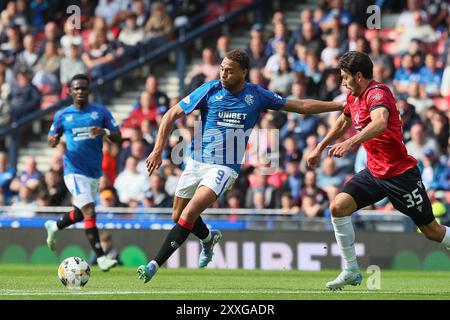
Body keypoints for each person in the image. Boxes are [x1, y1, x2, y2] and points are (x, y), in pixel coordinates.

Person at [137, 49, 345, 283]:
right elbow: (171, 114)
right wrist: (157, 150)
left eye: (229, 71)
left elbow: (301, 106)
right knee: (178, 215)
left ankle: (154, 264)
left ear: (243, 72)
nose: (223, 74)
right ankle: (208, 238)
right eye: (222, 69)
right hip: (197, 161)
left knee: (189, 213)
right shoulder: (210, 89)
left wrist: (338, 106)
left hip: (224, 167)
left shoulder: (256, 95)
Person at [306, 51, 450, 290]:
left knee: (432, 231)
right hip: (374, 172)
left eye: (345, 77)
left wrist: (350, 143)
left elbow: (380, 122)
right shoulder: (354, 96)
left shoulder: (378, 94)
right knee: (338, 207)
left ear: (359, 76)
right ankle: (351, 270)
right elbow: (343, 121)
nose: (342, 82)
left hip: (400, 175)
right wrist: (320, 147)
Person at [44, 74, 121, 272]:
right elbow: (52, 137)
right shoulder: (62, 115)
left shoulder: (100, 112)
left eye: (83, 88)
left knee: (80, 214)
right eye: (76, 88)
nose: (80, 92)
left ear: (89, 91)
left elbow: (119, 137)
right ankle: (101, 258)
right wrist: (52, 141)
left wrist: (104, 132)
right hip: (73, 170)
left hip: (94, 172)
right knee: (89, 211)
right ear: (69, 91)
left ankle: (55, 226)